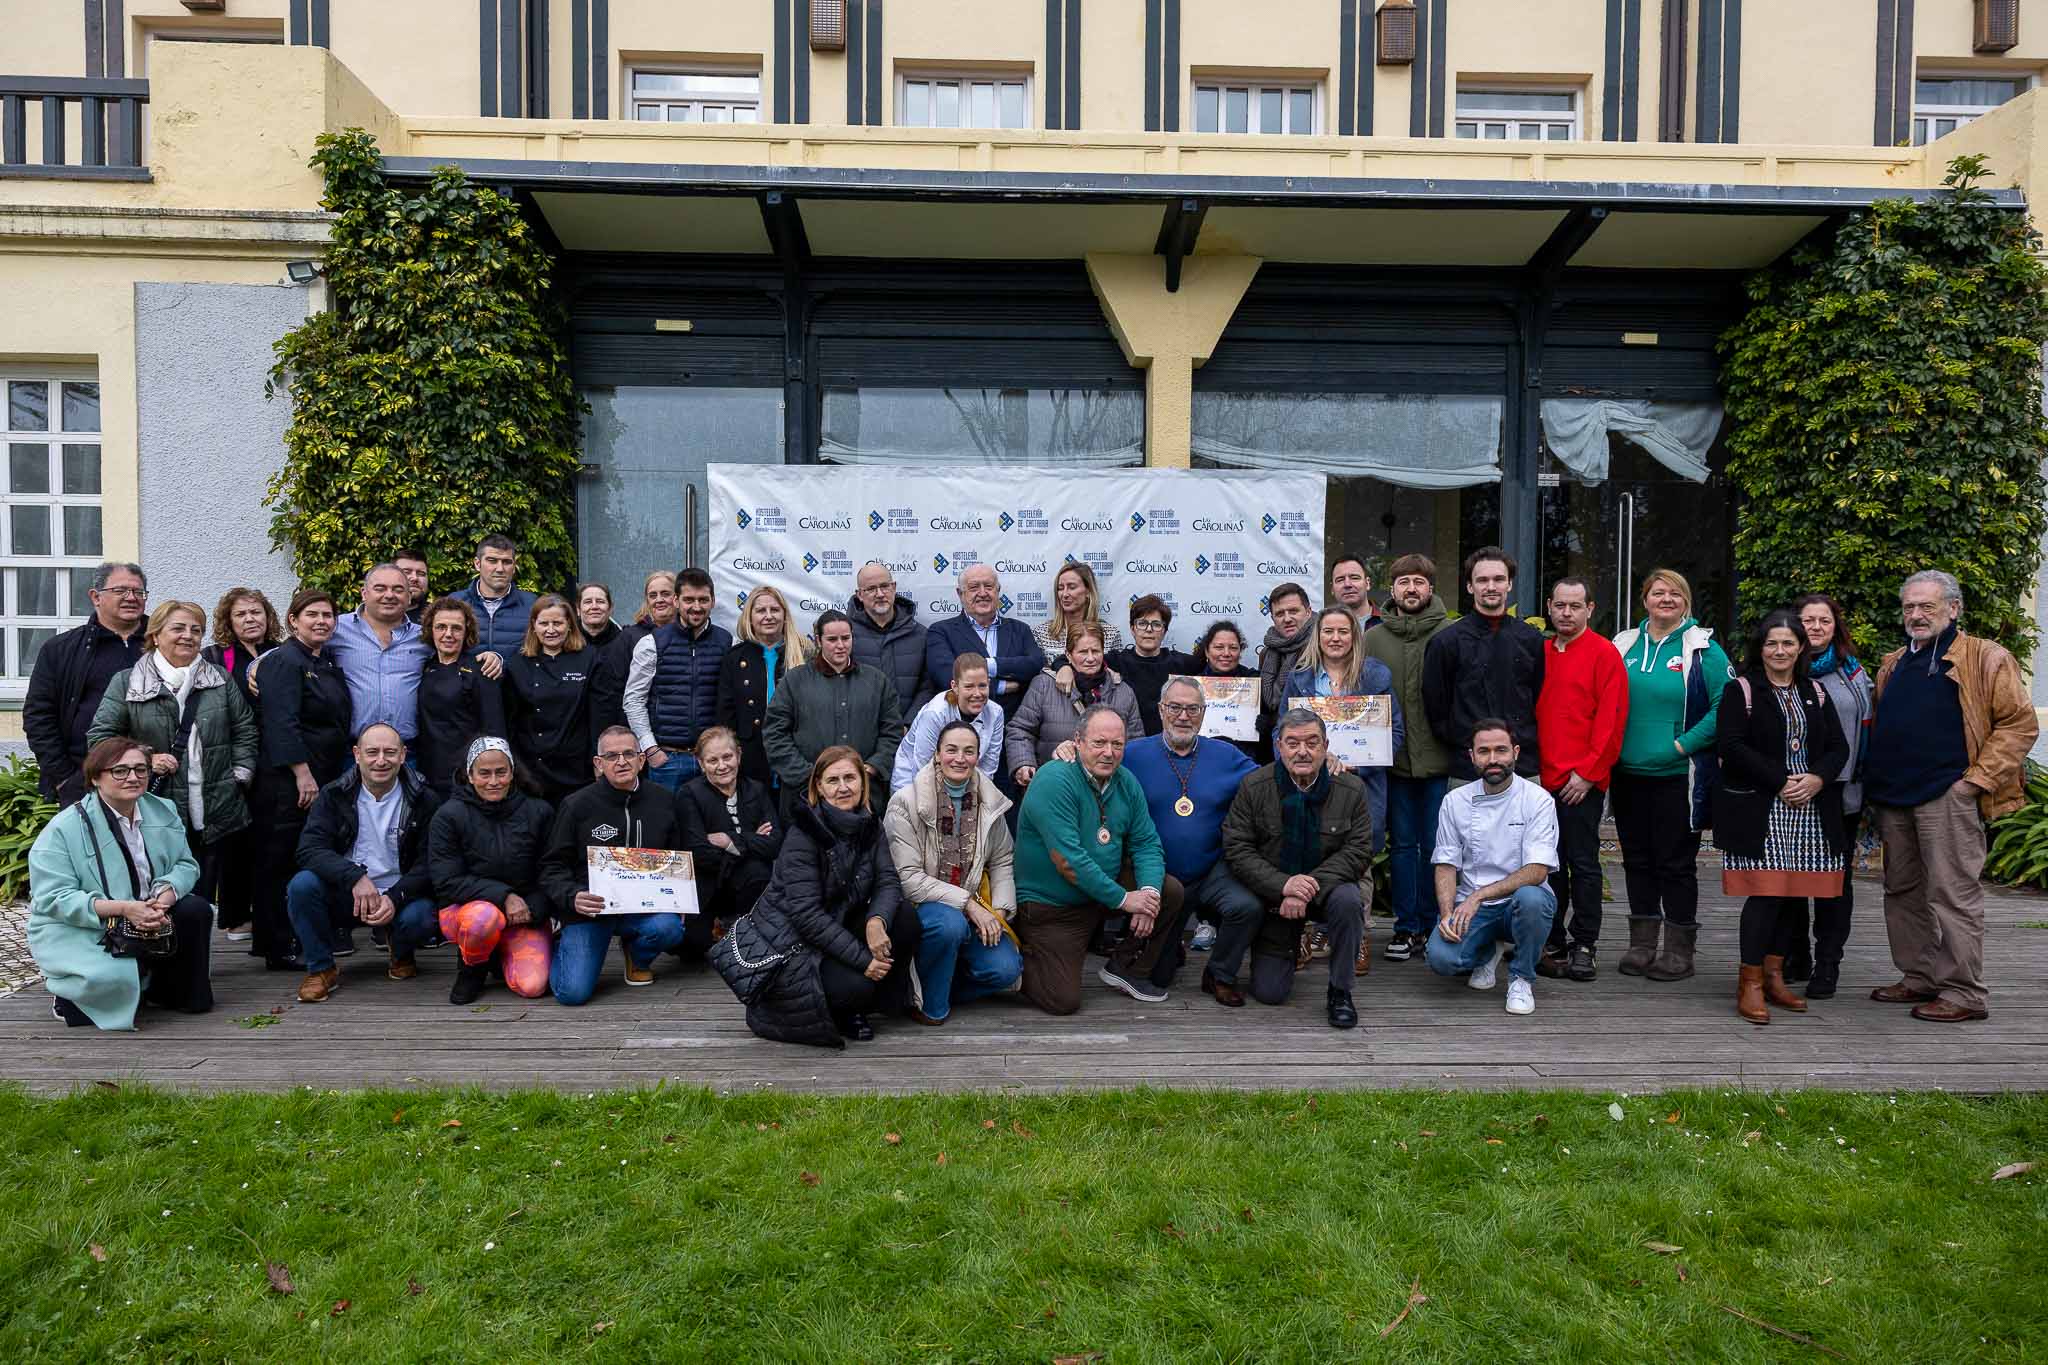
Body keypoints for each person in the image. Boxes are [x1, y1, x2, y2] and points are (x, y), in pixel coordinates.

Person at [1865, 569, 2036, 1024]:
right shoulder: (1894, 662)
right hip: (1895, 796)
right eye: (1909, 607)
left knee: (1952, 894)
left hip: (1947, 796)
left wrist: (1974, 782)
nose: (1916, 615)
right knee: (1902, 891)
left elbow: (2020, 725)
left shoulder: (1985, 657)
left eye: (1927, 606)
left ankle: (1964, 992)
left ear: (1953, 609)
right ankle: (1919, 976)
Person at [731, 746, 919, 1046]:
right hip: (793, 945)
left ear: (862, 782)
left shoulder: (870, 824)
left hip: (837, 924)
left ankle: (865, 1003)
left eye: (850, 778)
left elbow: (888, 881)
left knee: (905, 917)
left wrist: (876, 921)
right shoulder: (804, 834)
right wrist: (862, 960)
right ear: (819, 786)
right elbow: (806, 916)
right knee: (859, 983)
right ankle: (843, 1006)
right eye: (833, 780)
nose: (843, 787)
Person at [1717, 611, 1850, 1025]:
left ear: (1800, 648)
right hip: (1762, 807)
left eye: (1788, 643)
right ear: (1761, 648)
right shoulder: (1741, 689)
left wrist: (1815, 779)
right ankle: (1750, 981)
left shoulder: (1816, 692)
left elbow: (1837, 747)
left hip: (1810, 807)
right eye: (1772, 643)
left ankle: (1775, 977)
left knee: (1793, 894)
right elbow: (1732, 745)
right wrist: (1781, 781)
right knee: (1766, 892)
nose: (1780, 651)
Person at [27, 736, 212, 1029]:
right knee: (87, 1011)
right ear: (96, 778)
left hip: (150, 910)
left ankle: (165, 987)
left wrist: (163, 899)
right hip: (91, 923)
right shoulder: (63, 829)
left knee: (195, 910)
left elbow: (185, 864)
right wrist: (125, 908)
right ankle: (68, 992)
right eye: (120, 770)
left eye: (141, 769)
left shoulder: (163, 809)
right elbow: (52, 899)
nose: (133, 777)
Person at [1011, 705, 1183, 1012]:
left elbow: (1146, 844)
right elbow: (1069, 860)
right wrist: (1123, 900)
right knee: (1062, 1000)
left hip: (1099, 897)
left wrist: (1147, 895)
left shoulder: (1126, 781)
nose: (1109, 752)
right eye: (1099, 743)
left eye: (1117, 745)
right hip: (1053, 906)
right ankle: (1011, 963)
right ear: (1078, 741)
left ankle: (1126, 968)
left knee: (1168, 891)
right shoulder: (1055, 779)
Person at [87, 599, 258, 906]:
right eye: (178, 628)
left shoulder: (218, 678)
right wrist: (146, 760)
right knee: (159, 892)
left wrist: (238, 776)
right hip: (155, 806)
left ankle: (198, 953)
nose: (188, 636)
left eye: (196, 630)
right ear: (155, 635)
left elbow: (245, 729)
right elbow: (100, 739)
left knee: (201, 898)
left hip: (216, 805)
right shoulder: (128, 682)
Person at [1609, 568, 1733, 983]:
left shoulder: (1704, 649)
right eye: (1657, 592)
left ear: (1686, 601)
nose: (1666, 599)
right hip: (1627, 775)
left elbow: (1724, 708)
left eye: (1675, 593)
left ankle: (1679, 951)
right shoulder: (1623, 644)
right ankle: (1642, 945)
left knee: (1675, 864)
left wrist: (1681, 745)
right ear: (1644, 599)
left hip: (1679, 775)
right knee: (1637, 860)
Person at [1216, 707, 1373, 1025]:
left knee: (1349, 899)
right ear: (1278, 746)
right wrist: (1283, 886)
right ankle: (1288, 945)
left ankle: (1340, 991)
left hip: (1326, 890)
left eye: (1312, 742)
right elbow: (1237, 848)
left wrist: (1304, 887)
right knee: (1270, 992)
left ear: (1326, 746)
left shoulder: (1351, 790)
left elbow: (1358, 850)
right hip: (1275, 899)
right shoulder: (1254, 787)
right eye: (1293, 743)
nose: (1303, 751)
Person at [286, 723, 444, 1002]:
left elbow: (431, 863)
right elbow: (309, 849)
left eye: (390, 752)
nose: (381, 760)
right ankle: (321, 969)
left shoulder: (425, 799)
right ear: (357, 754)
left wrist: (395, 897)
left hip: (401, 895)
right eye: (372, 752)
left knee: (421, 916)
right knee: (302, 886)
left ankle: (402, 952)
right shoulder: (334, 795)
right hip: (350, 892)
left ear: (403, 755)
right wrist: (354, 877)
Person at [539, 725, 693, 1004]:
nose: (621, 761)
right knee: (571, 993)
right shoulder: (576, 806)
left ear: (641, 759)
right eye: (611, 756)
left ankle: (637, 955)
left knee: (670, 928)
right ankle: (562, 942)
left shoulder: (665, 800)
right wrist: (572, 897)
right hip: (591, 911)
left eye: (628, 754)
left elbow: (677, 857)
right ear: (599, 764)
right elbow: (552, 867)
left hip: (643, 908)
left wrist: (680, 898)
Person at [884, 719, 1023, 1023]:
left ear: (977, 756)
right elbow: (908, 879)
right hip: (923, 905)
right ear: (936, 754)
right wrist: (968, 904)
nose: (960, 758)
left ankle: (936, 987)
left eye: (969, 751)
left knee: (1005, 969)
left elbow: (1002, 859)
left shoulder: (989, 800)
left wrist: (999, 912)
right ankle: (931, 1007)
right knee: (950, 925)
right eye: (951, 750)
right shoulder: (905, 803)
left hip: (974, 904)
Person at [1423, 720, 1560, 1017]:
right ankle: (1489, 951)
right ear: (1471, 756)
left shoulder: (1538, 800)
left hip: (1517, 903)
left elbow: (1537, 871)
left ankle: (1521, 977)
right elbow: (1446, 863)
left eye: (1501, 750)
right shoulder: (1455, 801)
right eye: (1483, 751)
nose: (1493, 759)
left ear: (1516, 753)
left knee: (1532, 898)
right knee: (1441, 959)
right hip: (1474, 906)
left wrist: (1477, 897)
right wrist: (1447, 913)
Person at [1124, 676, 1259, 968]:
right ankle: (1169, 950)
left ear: (1204, 713)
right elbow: (1094, 767)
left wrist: (1323, 762)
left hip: (1210, 872)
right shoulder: (1130, 754)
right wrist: (1068, 752)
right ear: (1161, 710)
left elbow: (1270, 782)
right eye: (1175, 707)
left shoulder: (1227, 755)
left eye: (1192, 709)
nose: (1183, 716)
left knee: (1245, 907)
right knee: (1160, 972)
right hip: (1158, 878)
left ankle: (1220, 974)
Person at [253, 588, 355, 970]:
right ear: (293, 620)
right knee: (279, 862)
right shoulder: (284, 661)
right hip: (289, 782)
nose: (321, 621)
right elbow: (282, 722)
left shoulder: (322, 659)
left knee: (305, 858)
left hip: (321, 774)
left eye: (328, 615)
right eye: (312, 614)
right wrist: (302, 774)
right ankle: (278, 947)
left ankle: (302, 936)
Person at [1533, 577, 1629, 983]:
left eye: (1575, 606)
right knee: (1546, 865)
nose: (1566, 613)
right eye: (1560, 606)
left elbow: (1612, 720)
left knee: (1583, 864)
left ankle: (1584, 942)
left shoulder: (1604, 654)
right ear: (1550, 608)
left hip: (1580, 781)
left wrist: (1588, 774)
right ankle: (1551, 939)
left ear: (1589, 608)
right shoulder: (1540, 652)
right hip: (1540, 779)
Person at [1363, 554, 1452, 963]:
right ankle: (1404, 926)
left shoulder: (1450, 634)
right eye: (1403, 582)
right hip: (1393, 762)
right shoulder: (1372, 639)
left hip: (1440, 762)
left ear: (1430, 588)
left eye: (1419, 581)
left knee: (1438, 846)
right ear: (1392, 589)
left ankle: (1436, 922)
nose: (1411, 589)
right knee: (1401, 845)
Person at [1787, 593, 1875, 997]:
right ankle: (1795, 954)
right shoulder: (1781, 665)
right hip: (1789, 791)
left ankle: (1828, 963)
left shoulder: (1854, 673)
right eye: (1808, 620)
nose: (1816, 627)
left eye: (1825, 620)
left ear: (1836, 627)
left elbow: (1868, 728)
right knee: (1789, 879)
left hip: (1841, 792)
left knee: (1834, 882)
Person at [427, 737, 558, 1004]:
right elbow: (446, 881)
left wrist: (534, 907)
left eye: (501, 772)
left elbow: (552, 868)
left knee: (532, 986)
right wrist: (504, 896)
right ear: (470, 776)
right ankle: (472, 967)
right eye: (484, 773)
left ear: (513, 772)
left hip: (524, 912)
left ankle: (499, 954)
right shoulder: (448, 815)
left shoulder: (539, 811)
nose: (493, 781)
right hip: (468, 911)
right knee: (482, 919)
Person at [23, 561, 147, 804]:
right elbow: (39, 717)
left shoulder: (164, 645)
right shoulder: (61, 649)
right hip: (84, 782)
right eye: (120, 591)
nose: (131, 597)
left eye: (138, 592)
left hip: (151, 778)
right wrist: (64, 779)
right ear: (95, 596)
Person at [1281, 605, 1402, 845]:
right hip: (1309, 785)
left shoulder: (1376, 676)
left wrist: (1360, 764)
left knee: (1359, 859)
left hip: (1362, 786)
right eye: (1328, 631)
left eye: (1343, 632)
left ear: (1354, 636)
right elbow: (1280, 731)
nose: (1335, 638)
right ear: (1318, 636)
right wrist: (1305, 762)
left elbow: (1395, 732)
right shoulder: (1299, 678)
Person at [763, 610, 905, 814]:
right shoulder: (795, 681)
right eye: (832, 639)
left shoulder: (877, 681)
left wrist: (873, 767)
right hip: (805, 800)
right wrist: (811, 777)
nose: (840, 645)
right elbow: (774, 734)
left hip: (864, 798)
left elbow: (892, 732)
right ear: (818, 640)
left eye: (845, 638)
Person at [202, 586, 282, 941]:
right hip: (232, 759)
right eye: (242, 614)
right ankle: (234, 917)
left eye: (257, 613)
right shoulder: (216, 658)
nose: (251, 619)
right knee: (234, 839)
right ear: (228, 621)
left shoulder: (277, 653)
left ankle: (266, 912)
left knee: (267, 837)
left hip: (273, 757)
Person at [1423, 546, 1545, 781]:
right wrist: (1466, 741)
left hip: (1523, 766)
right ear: (1470, 586)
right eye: (1482, 580)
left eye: (1499, 579)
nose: (1491, 587)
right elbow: (1436, 708)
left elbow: (1539, 698)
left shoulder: (1532, 640)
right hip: (1468, 769)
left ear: (1509, 584)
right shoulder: (1446, 642)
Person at [624, 567, 729, 792]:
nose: (696, 607)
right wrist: (651, 749)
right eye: (689, 599)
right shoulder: (652, 643)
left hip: (712, 760)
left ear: (713, 601)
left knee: (710, 826)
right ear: (676, 600)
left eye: (703, 599)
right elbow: (633, 701)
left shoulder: (726, 641)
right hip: (668, 760)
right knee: (665, 825)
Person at [1006, 623, 1144, 791]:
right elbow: (1020, 730)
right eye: (1083, 652)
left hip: (1107, 790)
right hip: (1054, 788)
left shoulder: (1123, 691)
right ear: (1068, 655)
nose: (1091, 658)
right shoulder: (1044, 685)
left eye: (1096, 651)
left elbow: (1136, 744)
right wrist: (1023, 763)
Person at [678, 726, 784, 932]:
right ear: (701, 763)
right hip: (709, 887)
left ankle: (744, 930)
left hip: (751, 883)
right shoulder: (689, 794)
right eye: (712, 760)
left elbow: (775, 844)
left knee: (757, 873)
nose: (722, 766)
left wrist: (729, 841)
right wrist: (753, 841)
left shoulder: (756, 789)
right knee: (691, 947)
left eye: (727, 757)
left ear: (739, 755)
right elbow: (699, 852)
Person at [501, 593, 595, 804]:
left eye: (557, 623)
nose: (550, 630)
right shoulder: (518, 664)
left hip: (577, 767)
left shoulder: (589, 658)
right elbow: (510, 719)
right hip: (532, 767)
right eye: (544, 623)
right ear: (534, 626)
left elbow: (597, 713)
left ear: (570, 624)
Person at [325, 563, 431, 745]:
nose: (389, 595)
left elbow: (458, 656)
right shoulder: (337, 628)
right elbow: (297, 648)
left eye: (398, 590)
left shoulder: (424, 637)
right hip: (351, 750)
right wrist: (259, 664)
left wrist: (492, 657)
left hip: (407, 751)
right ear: (364, 593)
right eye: (380, 588)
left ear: (408, 596)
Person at [716, 584, 807, 786]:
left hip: (796, 758)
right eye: (760, 611)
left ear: (785, 615)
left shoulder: (805, 653)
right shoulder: (734, 658)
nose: (769, 616)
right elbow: (726, 714)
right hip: (750, 759)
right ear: (750, 616)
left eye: (775, 610)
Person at [415, 597, 506, 798]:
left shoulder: (481, 670)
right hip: (426, 772)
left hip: (465, 776)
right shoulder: (423, 666)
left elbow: (494, 729)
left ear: (467, 632)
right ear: (431, 630)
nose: (448, 634)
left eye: (456, 628)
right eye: (441, 627)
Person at [925, 564, 1047, 704]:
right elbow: (946, 676)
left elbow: (1036, 665)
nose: (982, 593)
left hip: (1014, 722)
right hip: (964, 722)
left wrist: (989, 664)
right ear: (960, 593)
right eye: (974, 587)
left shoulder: (1020, 629)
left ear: (998, 590)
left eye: (988, 586)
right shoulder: (940, 631)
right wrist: (999, 687)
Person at [893, 651, 1003, 792]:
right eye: (969, 686)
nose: (977, 694)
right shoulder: (935, 713)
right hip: (913, 783)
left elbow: (987, 768)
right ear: (955, 686)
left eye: (982, 686)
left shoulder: (996, 713)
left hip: (964, 784)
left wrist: (974, 800)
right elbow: (922, 767)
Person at [588, 570, 679, 735]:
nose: (659, 600)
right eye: (653, 595)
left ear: (677, 597)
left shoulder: (690, 636)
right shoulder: (629, 638)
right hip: (636, 736)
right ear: (647, 600)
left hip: (677, 734)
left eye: (665, 594)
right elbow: (611, 692)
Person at [848, 561, 932, 719]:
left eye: (884, 586)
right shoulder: (845, 635)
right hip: (860, 733)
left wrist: (909, 724)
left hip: (909, 734)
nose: (880, 594)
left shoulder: (921, 634)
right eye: (871, 589)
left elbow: (928, 686)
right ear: (859, 595)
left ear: (893, 587)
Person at [1107, 594, 1192, 736]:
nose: (1149, 629)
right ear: (1132, 629)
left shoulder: (1179, 663)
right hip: (1129, 744)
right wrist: (1063, 667)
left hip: (1169, 745)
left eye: (1156, 624)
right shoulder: (1117, 660)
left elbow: (1217, 663)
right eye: (1142, 623)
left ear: (1164, 631)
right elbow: (1081, 659)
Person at [452, 533, 537, 657]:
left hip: (517, 676)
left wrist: (502, 665)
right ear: (477, 564)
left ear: (514, 567)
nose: (500, 569)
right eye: (492, 561)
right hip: (465, 676)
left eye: (507, 562)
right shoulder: (455, 602)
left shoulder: (532, 604)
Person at [1255, 581, 1315, 746]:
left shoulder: (1322, 647)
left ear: (1308, 612)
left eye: (1294, 611)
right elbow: (1268, 704)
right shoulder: (1266, 653)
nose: (1287, 619)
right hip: (1277, 741)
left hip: (1311, 741)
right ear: (1273, 618)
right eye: (1280, 613)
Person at [1192, 620, 1261, 761]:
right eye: (1219, 647)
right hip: (1202, 758)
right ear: (1207, 651)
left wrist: (1264, 723)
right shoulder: (1193, 686)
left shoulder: (1254, 682)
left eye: (1233, 648)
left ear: (1240, 651)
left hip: (1244, 760)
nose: (1226, 653)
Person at [1035, 561, 1123, 659]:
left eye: (1072, 587)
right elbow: (1039, 672)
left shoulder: (1110, 634)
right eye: (1060, 588)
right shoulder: (1041, 633)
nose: (1065, 594)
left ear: (1088, 592)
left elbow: (1114, 673)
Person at [1330, 555, 1380, 630]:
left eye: (1354, 578)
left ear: (1367, 583)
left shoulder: (1388, 622)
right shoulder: (1321, 627)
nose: (1347, 584)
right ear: (1332, 589)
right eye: (1340, 580)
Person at [393, 546, 432, 625]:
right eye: (407, 572)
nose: (415, 578)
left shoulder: (436, 616)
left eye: (421, 574)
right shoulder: (371, 616)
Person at [577, 583, 619, 651]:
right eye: (588, 602)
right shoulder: (565, 640)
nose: (594, 607)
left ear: (610, 608)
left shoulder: (623, 642)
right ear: (578, 609)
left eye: (600, 601)